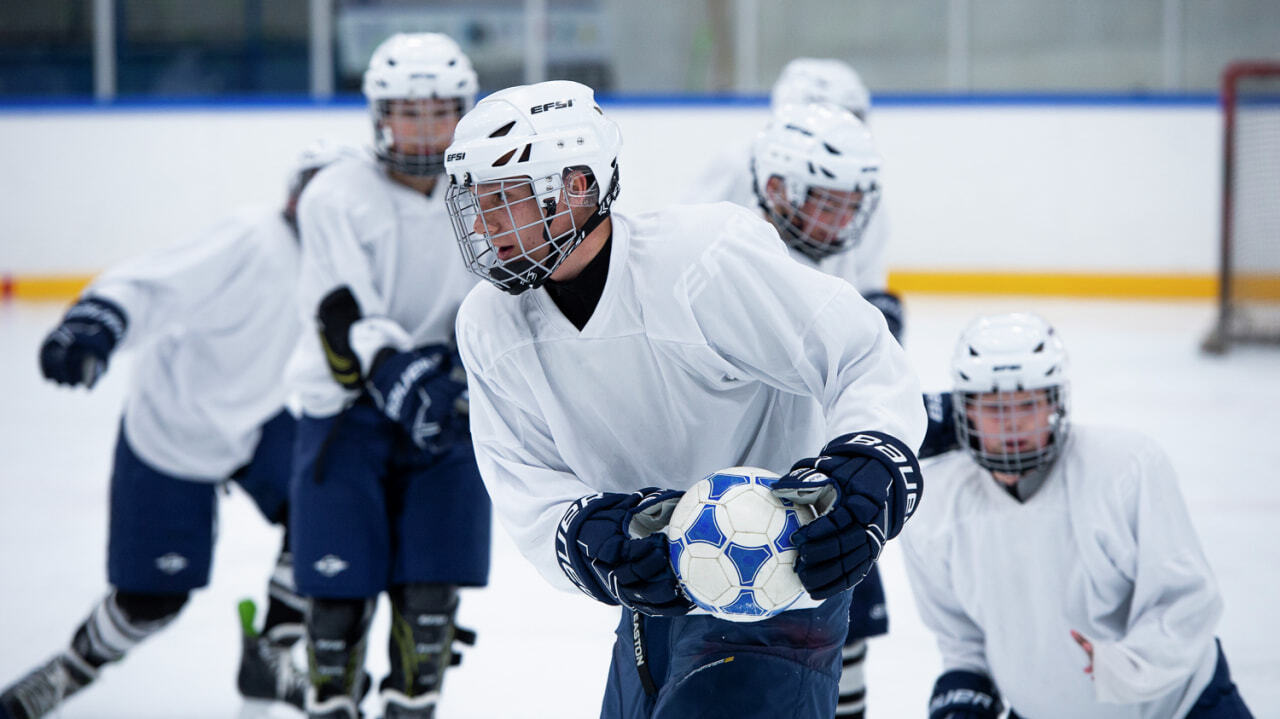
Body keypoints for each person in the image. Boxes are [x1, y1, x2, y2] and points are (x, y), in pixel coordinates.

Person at [442, 79, 925, 719]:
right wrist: (588, 533)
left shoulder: (703, 261)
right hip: (657, 600)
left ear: (578, 186)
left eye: (505, 195)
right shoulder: (489, 323)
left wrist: (869, 466)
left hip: (781, 592)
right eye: (476, 198)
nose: (485, 220)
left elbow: (861, 355)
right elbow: (522, 474)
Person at [0, 140, 351, 719]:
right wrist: (96, 325)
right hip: (174, 433)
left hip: (259, 422)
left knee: (330, 505)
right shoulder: (253, 240)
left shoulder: (342, 265)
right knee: (151, 601)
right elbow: (155, 282)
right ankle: (67, 672)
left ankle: (273, 653)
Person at [902, 312, 1254, 719]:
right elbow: (961, 635)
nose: (1014, 421)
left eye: (1029, 403)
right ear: (965, 411)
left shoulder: (1125, 468)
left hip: (1182, 708)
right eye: (995, 407)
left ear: (1055, 402)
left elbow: (1187, 603)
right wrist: (965, 692)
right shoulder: (935, 507)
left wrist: (1123, 666)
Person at [286, 32, 491, 719]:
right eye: (410, 111)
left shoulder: (484, 192)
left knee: (429, 601)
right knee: (337, 603)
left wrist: (471, 366)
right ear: (379, 114)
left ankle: (413, 702)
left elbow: (499, 297)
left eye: (441, 112)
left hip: (445, 404)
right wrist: (402, 376)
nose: (426, 128)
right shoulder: (335, 196)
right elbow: (340, 314)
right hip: (345, 410)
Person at [748, 98, 894, 718]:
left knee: (842, 641)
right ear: (778, 188)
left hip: (819, 489)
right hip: (746, 502)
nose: (840, 220)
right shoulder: (738, 260)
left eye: (848, 205)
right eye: (826, 201)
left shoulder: (820, 271)